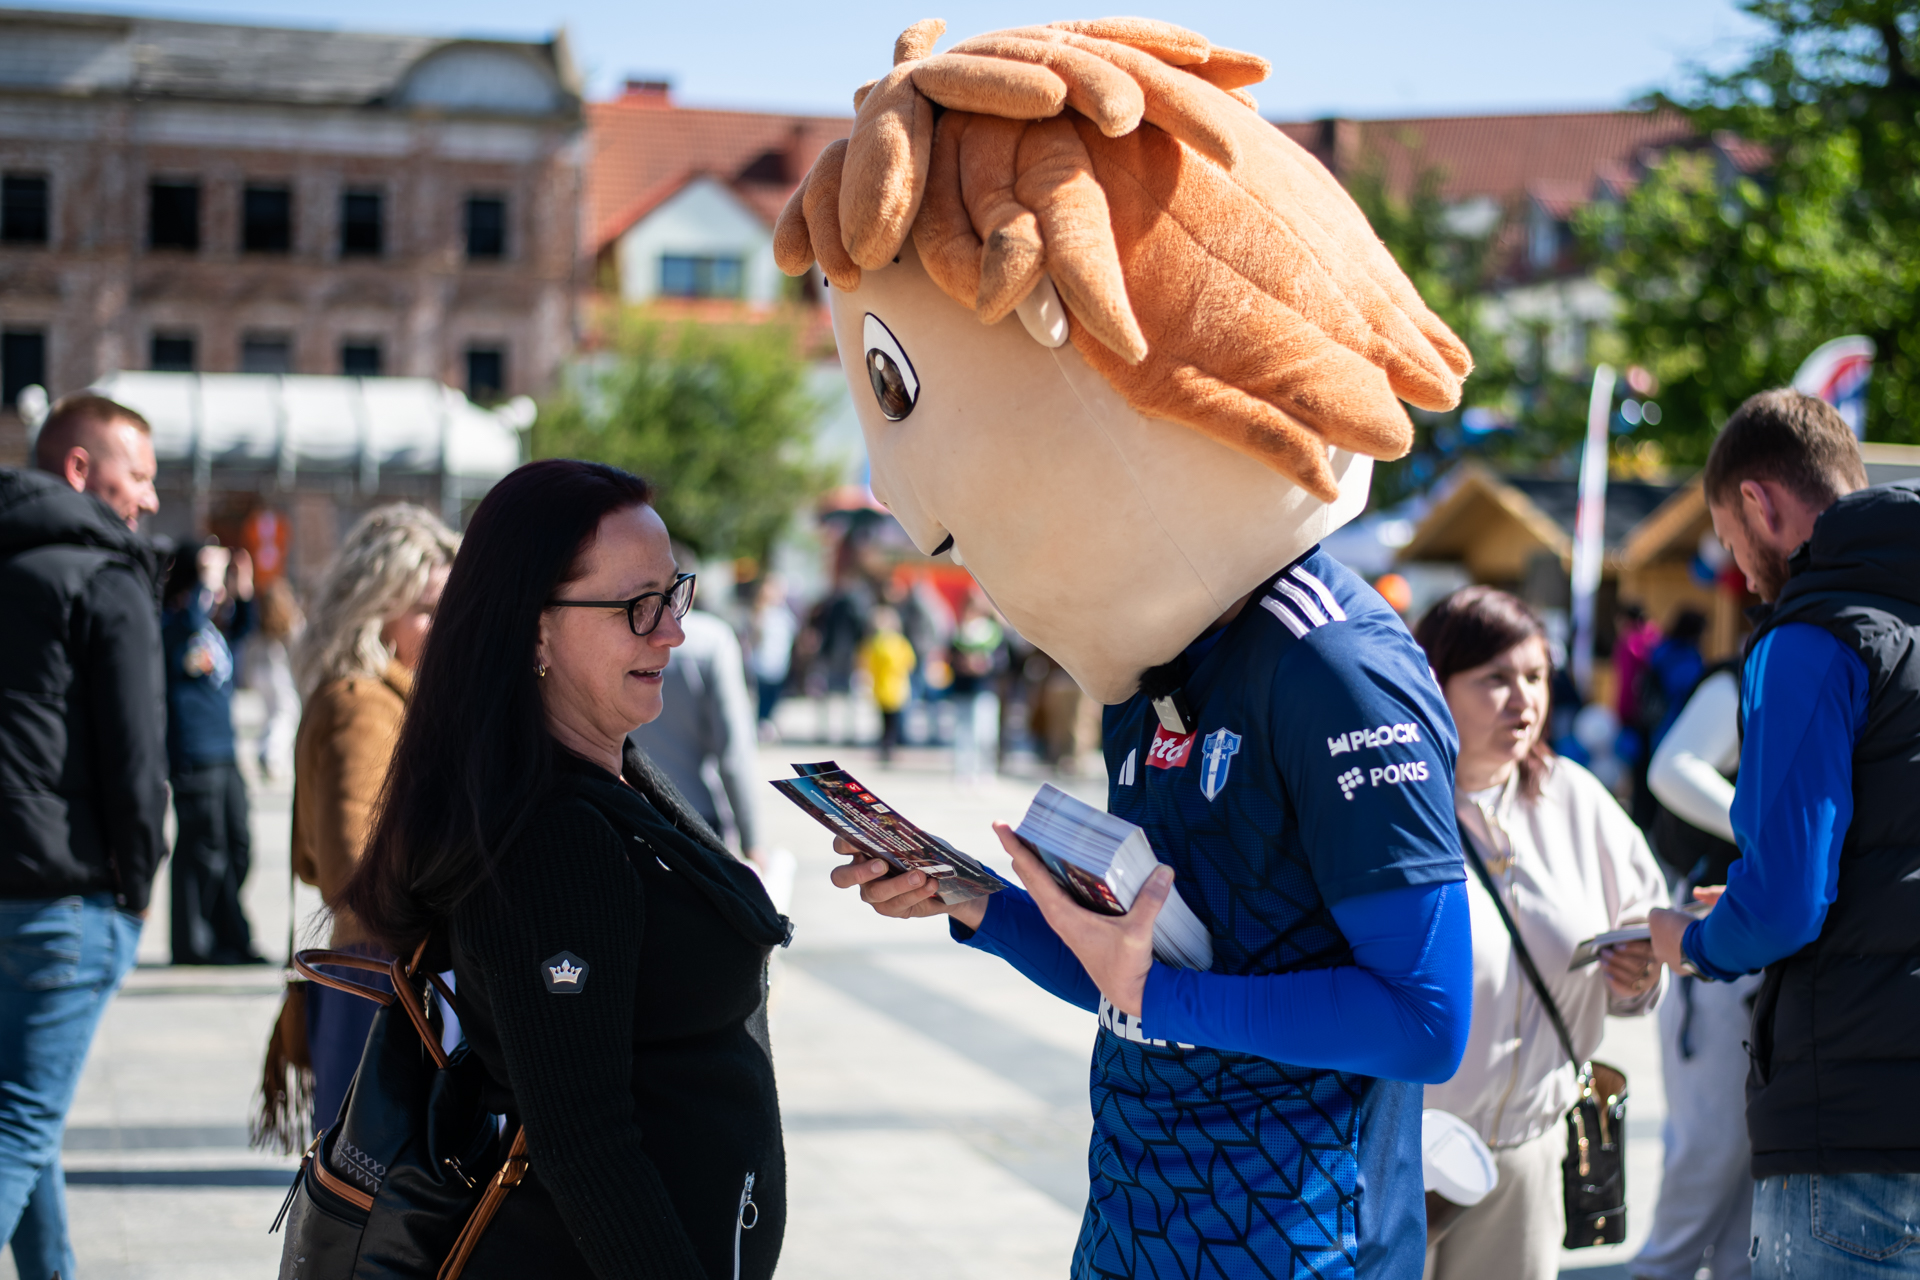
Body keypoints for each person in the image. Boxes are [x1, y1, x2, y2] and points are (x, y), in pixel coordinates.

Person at [342, 460, 790, 1279]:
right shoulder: (554, 841)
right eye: (636, 606)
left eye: (674, 593)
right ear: (534, 630)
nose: (672, 631)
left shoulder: (614, 775)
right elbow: (585, 1145)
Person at [1648, 390, 1920, 1280]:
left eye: (1730, 542)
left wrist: (1691, 943)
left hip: (1856, 1128)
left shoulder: (1807, 635)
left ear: (1759, 503)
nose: (1743, 571)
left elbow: (1786, 907)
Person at [1414, 587, 1668, 1280]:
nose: (1524, 701)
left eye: (1535, 676)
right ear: (1433, 681)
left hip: (1527, 1159)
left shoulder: (1575, 798)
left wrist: (1641, 976)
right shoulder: (1393, 805)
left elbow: (1643, 933)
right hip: (1398, 1156)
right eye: (1495, 678)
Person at [0, 392, 165, 1280]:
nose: (148, 497)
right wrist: (137, 888)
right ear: (79, 469)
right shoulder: (107, 575)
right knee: (22, 1120)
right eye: (136, 474)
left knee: (26, 1112)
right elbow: (138, 756)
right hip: (64, 898)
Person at [275, 504, 459, 1138]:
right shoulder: (362, 706)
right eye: (427, 610)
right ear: (375, 611)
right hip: (385, 979)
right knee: (378, 1175)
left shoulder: (386, 696)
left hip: (381, 973)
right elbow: (356, 871)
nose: (446, 627)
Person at [1634, 662, 1757, 1280]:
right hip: (1716, 936)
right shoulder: (1743, 680)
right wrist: (1773, 836)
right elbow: (1672, 769)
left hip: (1769, 944)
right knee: (1709, 1146)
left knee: (1755, 1160)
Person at [161, 539, 262, 965]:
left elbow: (244, 628)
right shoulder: (172, 622)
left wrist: (243, 588)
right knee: (203, 849)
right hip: (194, 751)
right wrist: (204, 581)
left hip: (224, 751)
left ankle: (231, 935)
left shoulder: (209, 625)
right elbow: (185, 627)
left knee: (237, 844)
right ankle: (194, 943)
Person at [629, 548, 764, 854]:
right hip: (695, 813)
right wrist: (752, 840)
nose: (672, 637)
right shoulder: (712, 640)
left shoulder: (625, 633)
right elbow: (734, 752)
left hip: (627, 809)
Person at [245, 579, 304, 779]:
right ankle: (271, 755)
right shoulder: (288, 622)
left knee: (272, 715)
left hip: (260, 672)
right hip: (277, 673)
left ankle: (266, 750)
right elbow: (300, 637)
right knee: (287, 712)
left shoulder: (261, 620)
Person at [947, 594, 1003, 784]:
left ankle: (985, 771)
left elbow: (1002, 661)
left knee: (985, 734)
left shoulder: (993, 634)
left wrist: (984, 664)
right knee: (963, 733)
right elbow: (949, 658)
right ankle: (964, 771)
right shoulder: (959, 634)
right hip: (963, 689)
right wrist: (962, 664)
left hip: (984, 689)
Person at [857, 605, 915, 763]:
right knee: (894, 721)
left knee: (885, 721)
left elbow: (865, 663)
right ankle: (891, 747)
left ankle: (886, 747)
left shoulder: (873, 643)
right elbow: (909, 662)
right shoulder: (899, 642)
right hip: (897, 687)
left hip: (881, 687)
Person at [745, 575, 797, 737]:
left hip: (779, 663)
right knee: (763, 699)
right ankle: (761, 725)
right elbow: (754, 639)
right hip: (762, 664)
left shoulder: (783, 613)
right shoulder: (760, 613)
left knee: (774, 698)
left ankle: (766, 724)